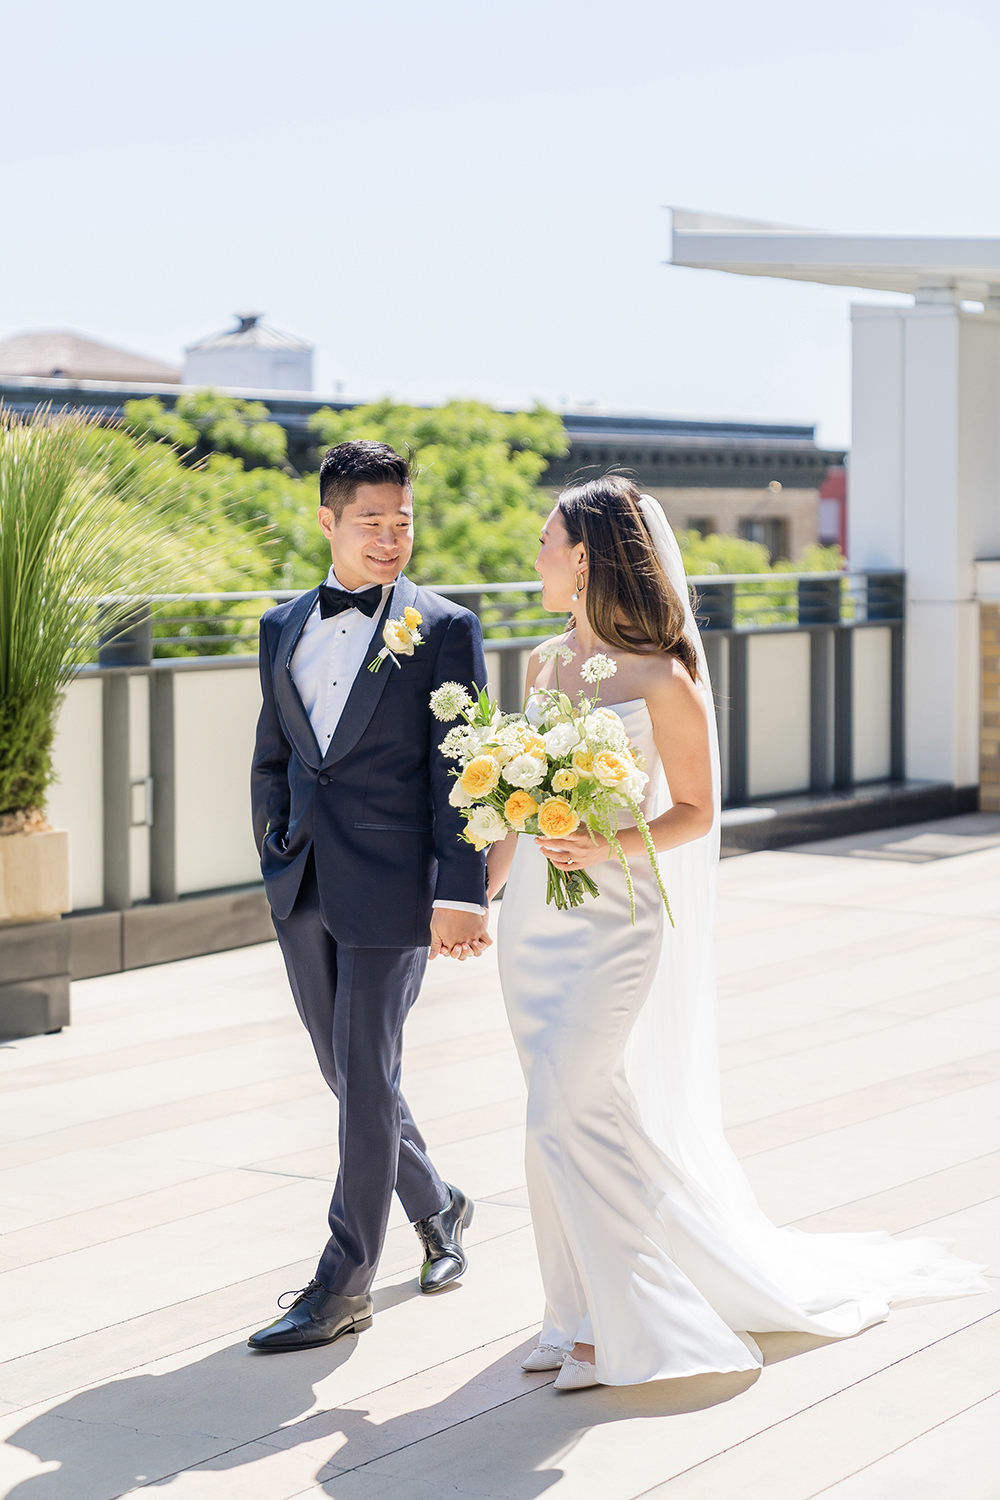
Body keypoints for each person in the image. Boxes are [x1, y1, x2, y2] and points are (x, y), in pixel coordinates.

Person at [487, 475, 987, 1391]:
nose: (536, 559)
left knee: (569, 1103)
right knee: (547, 1117)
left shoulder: (663, 677)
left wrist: (604, 837)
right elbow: (516, 812)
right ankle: (575, 1309)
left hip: (618, 919)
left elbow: (695, 812)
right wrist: (481, 899)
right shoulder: (538, 664)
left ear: (587, 556)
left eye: (547, 542)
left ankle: (637, 1319)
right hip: (535, 928)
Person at [248, 440, 491, 1353]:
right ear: (328, 522)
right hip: (303, 879)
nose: (392, 538)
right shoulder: (280, 626)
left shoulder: (447, 628)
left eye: (404, 521)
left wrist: (460, 895)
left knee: (363, 1075)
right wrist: (273, 847)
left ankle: (342, 1283)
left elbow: (463, 773)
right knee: (350, 1076)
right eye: (371, 522)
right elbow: (273, 755)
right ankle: (440, 1202)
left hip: (397, 891)